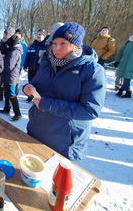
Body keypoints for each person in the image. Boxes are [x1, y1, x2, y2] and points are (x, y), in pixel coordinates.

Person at [23, 22, 106, 161]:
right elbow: (36, 85)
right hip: (36, 131)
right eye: (54, 43)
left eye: (63, 43)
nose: (56, 48)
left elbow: (90, 110)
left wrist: (47, 104)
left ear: (75, 45)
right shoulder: (46, 64)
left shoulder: (92, 70)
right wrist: (27, 88)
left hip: (64, 141)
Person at [0, 34, 22, 121]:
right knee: (6, 93)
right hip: (8, 76)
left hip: (11, 77)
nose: (7, 46)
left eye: (8, 44)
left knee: (12, 95)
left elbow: (9, 66)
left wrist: (0, 69)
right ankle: (6, 109)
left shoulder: (14, 53)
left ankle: (18, 113)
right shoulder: (12, 51)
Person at [113, 27, 133, 98]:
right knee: (123, 76)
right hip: (124, 62)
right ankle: (122, 89)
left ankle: (128, 91)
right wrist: (117, 61)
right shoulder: (128, 42)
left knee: (127, 77)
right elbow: (121, 52)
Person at [23, 29, 47, 102]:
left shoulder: (46, 46)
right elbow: (28, 56)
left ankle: (38, 98)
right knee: (31, 83)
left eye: (40, 34)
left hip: (40, 69)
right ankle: (30, 97)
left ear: (44, 36)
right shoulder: (33, 45)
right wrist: (25, 66)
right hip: (31, 68)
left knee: (39, 84)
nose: (38, 36)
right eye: (37, 34)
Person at [0, 27, 15, 103]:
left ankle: (8, 100)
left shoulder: (11, 44)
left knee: (7, 84)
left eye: (6, 34)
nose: (4, 36)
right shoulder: (0, 43)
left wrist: (4, 55)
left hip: (7, 66)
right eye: (4, 34)